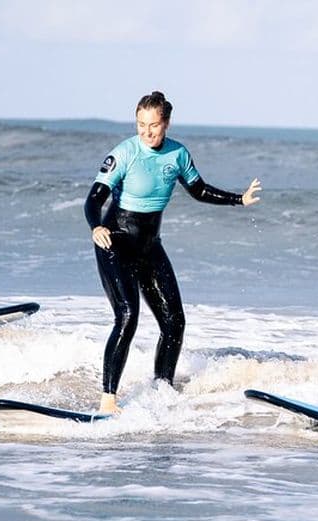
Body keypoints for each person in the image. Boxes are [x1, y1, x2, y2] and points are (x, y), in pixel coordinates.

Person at [84, 91, 262, 414]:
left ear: (166, 123)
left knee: (174, 322)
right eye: (140, 125)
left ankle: (161, 391)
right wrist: (96, 227)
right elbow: (94, 198)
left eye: (153, 126)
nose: (146, 132)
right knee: (127, 316)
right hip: (115, 242)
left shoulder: (178, 154)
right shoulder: (125, 153)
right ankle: (108, 400)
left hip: (150, 247)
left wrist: (240, 199)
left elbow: (199, 190)